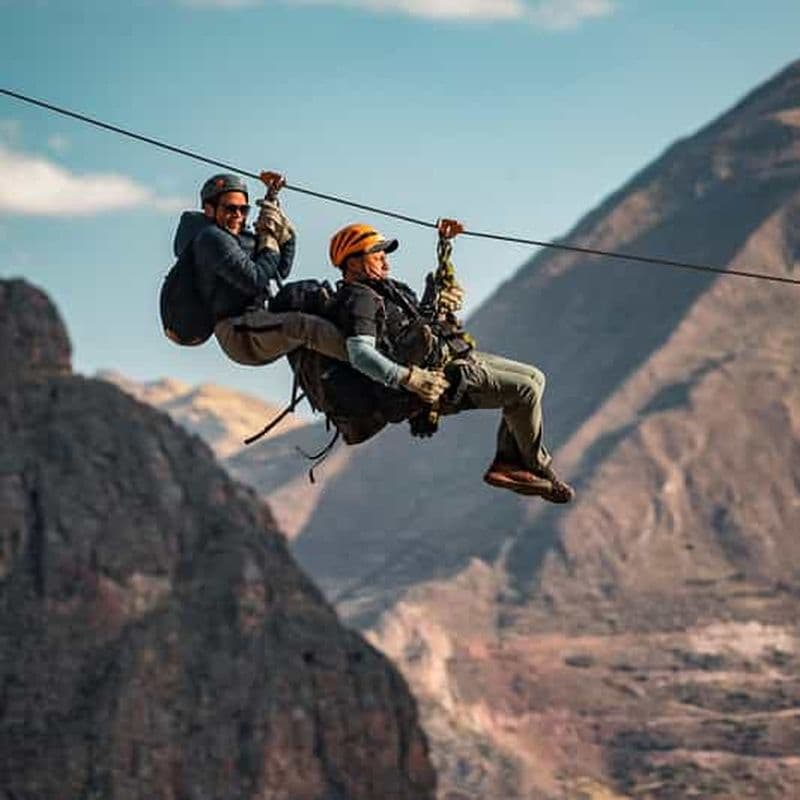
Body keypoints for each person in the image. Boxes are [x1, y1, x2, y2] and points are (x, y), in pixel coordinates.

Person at [327, 221, 575, 503]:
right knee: (524, 391)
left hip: (448, 356)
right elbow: (360, 354)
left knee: (535, 377)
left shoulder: (388, 290)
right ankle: (537, 466)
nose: (385, 260)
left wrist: (445, 251)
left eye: (385, 253)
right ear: (353, 263)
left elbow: (417, 324)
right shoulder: (359, 298)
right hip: (438, 381)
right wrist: (410, 378)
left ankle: (508, 462)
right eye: (377, 254)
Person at [172, 172, 346, 366]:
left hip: (255, 321)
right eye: (230, 208)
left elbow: (280, 270)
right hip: (237, 330)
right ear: (209, 210)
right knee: (305, 327)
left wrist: (285, 235)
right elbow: (255, 280)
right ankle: (368, 364)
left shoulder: (237, 238)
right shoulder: (210, 239)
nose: (238, 215)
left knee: (320, 303)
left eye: (243, 209)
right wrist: (269, 243)